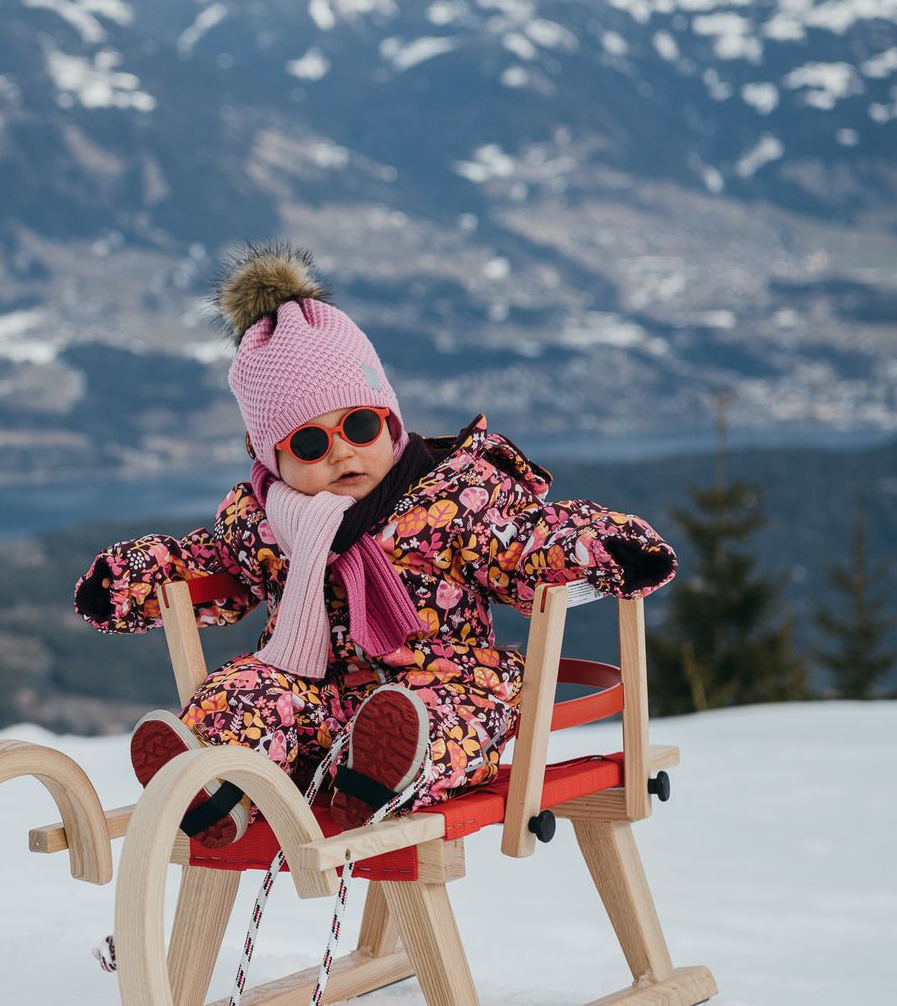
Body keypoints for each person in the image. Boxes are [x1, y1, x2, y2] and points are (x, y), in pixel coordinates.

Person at [73, 244, 678, 846]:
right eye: (310, 444)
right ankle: (212, 786)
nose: (342, 452)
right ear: (272, 459)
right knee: (246, 692)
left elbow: (524, 545)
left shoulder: (455, 501)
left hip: (441, 678)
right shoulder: (268, 521)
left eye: (359, 426)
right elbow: (210, 564)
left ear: (389, 422)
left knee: (453, 718)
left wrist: (602, 548)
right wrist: (131, 582)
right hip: (313, 691)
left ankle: (383, 772)